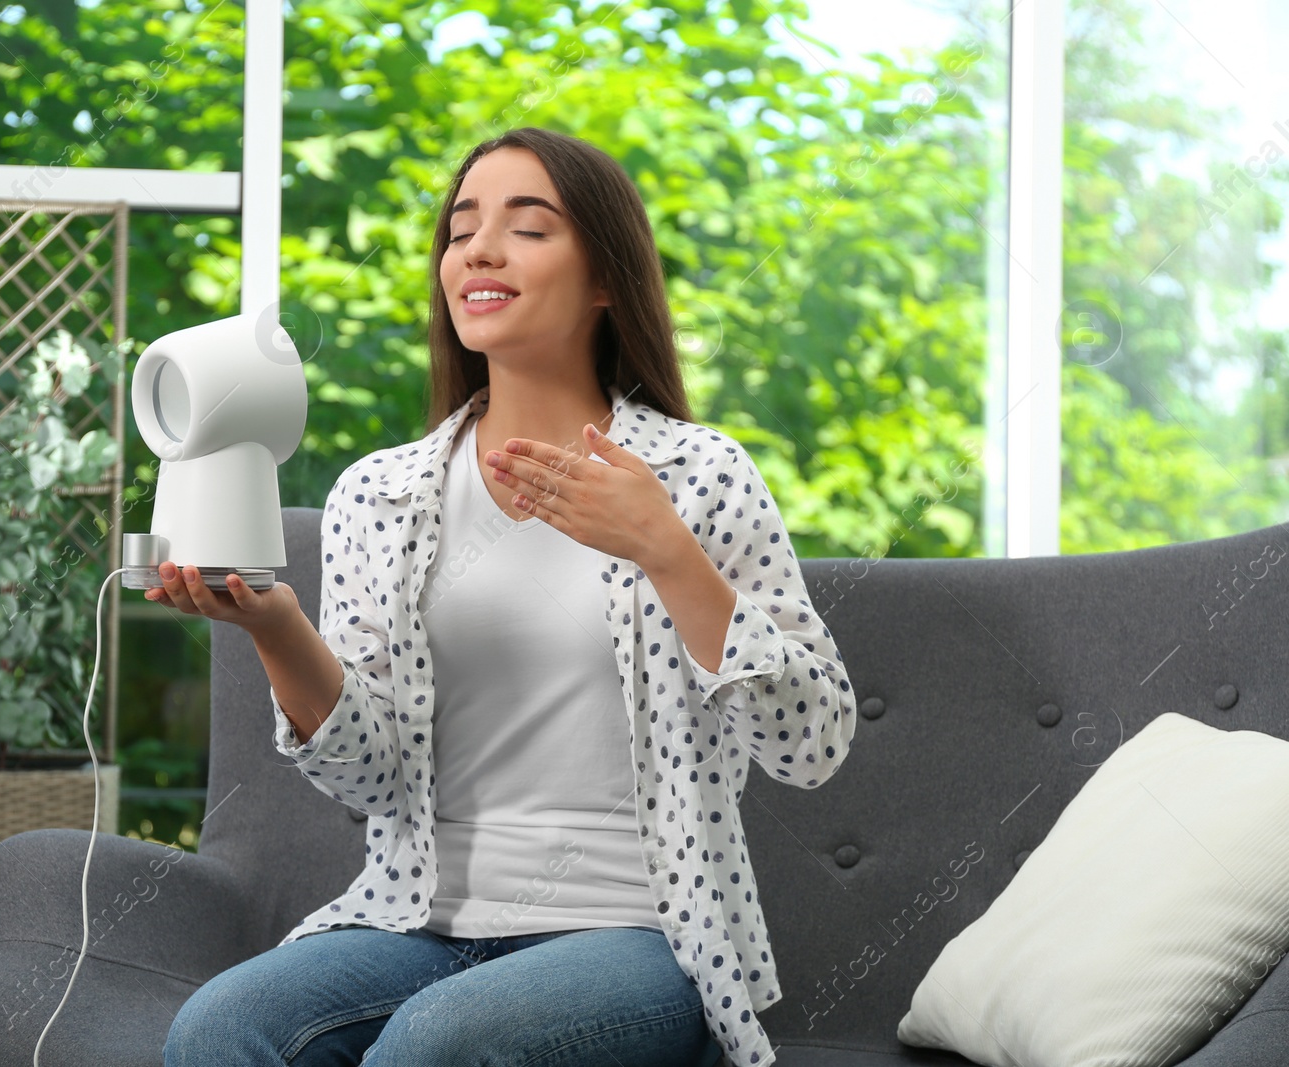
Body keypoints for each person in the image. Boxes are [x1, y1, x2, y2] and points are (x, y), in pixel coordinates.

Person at [146, 127, 857, 1067]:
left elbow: (814, 742)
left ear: (606, 279)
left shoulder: (698, 475)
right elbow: (369, 778)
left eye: (527, 227)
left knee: (432, 1045)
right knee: (216, 1028)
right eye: (461, 228)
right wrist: (277, 628)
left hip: (634, 936)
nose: (477, 249)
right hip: (414, 921)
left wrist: (668, 552)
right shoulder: (382, 492)